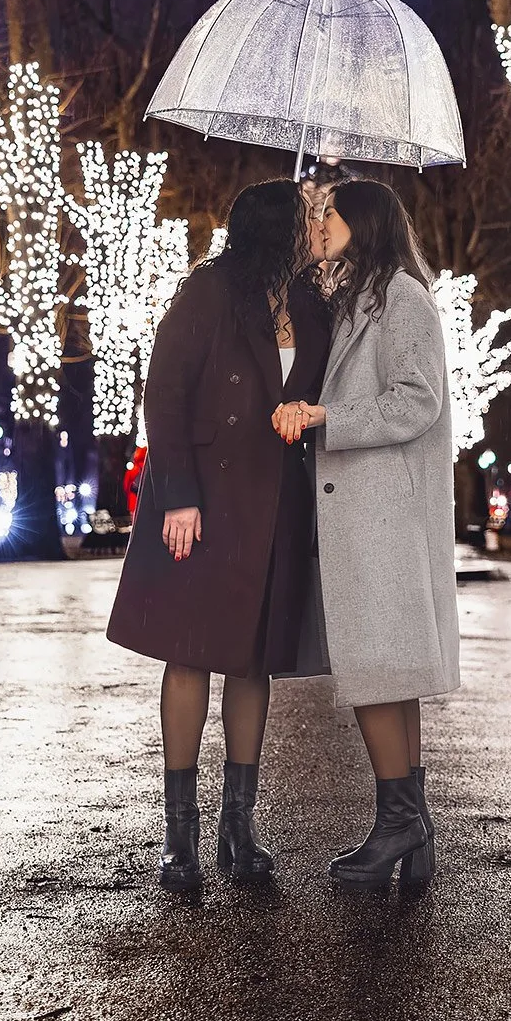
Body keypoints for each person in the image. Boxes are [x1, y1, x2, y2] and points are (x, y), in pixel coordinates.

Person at [105, 179, 333, 893]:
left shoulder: (313, 302)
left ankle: (240, 826)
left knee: (251, 661)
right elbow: (164, 393)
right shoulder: (208, 290)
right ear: (275, 227)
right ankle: (180, 836)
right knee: (189, 655)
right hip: (203, 501)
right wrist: (176, 496)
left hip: (276, 500)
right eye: (308, 217)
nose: (318, 225)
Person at [271, 177, 458, 893]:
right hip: (371, 514)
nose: (319, 224)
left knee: (381, 669)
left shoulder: (401, 297)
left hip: (385, 517)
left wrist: (328, 418)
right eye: (318, 214)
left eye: (331, 214)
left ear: (367, 223)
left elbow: (417, 400)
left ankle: (398, 824)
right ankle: (410, 824)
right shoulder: (358, 297)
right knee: (391, 670)